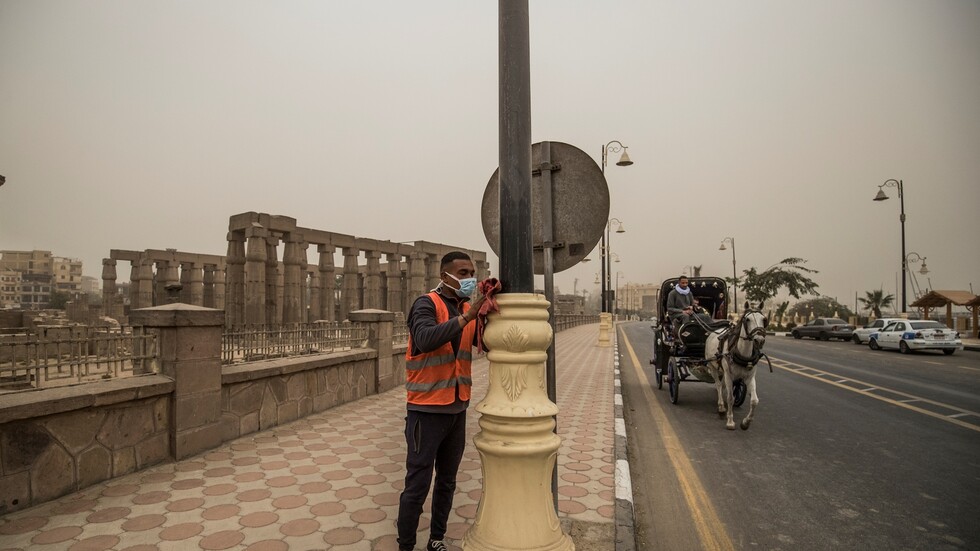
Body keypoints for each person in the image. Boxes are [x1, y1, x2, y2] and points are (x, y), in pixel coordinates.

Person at [397, 251, 485, 551]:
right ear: (444, 275)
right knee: (418, 484)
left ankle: (436, 538)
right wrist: (467, 318)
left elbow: (483, 342)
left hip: (457, 408)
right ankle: (406, 545)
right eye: (462, 273)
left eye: (471, 273)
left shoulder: (466, 308)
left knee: (447, 481)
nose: (469, 278)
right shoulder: (426, 304)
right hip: (426, 410)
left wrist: (491, 308)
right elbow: (424, 339)